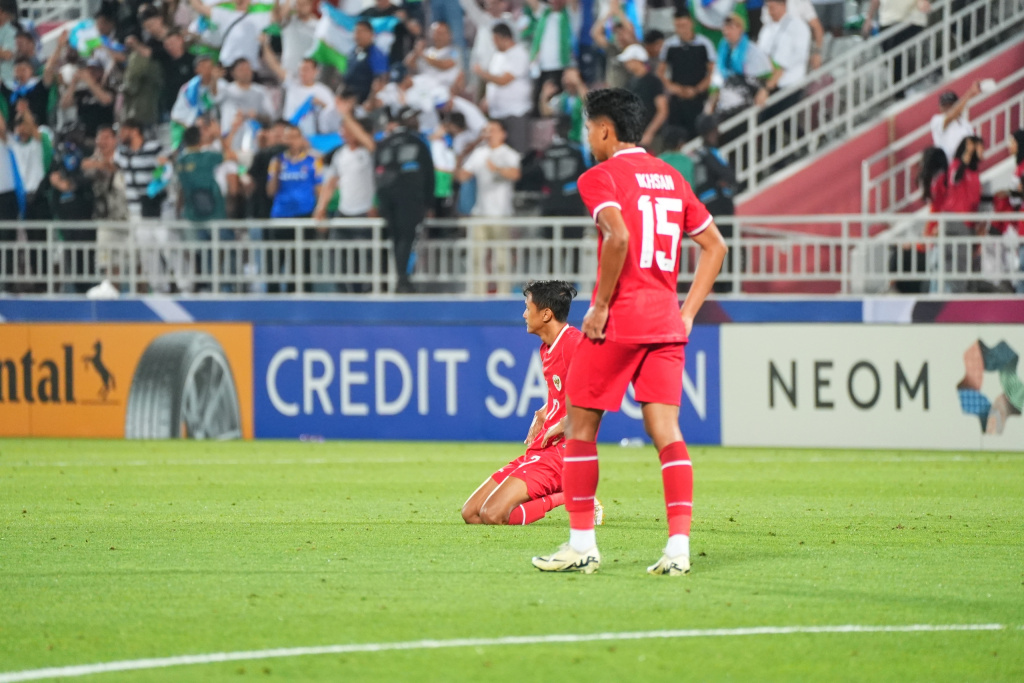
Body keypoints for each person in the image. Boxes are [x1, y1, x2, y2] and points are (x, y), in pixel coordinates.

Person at [531, 87, 727, 576]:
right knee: (666, 432)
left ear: (604, 129)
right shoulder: (672, 177)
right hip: (665, 321)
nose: (587, 139)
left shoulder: (600, 176)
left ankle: (582, 544)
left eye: (588, 129)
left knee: (581, 427)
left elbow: (618, 236)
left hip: (619, 319)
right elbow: (715, 246)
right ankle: (678, 550)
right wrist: (686, 313)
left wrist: (598, 307)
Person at [463, 280, 603, 526]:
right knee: (471, 513)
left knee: (493, 515)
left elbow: (600, 392)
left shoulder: (574, 342)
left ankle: (571, 496)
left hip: (565, 452)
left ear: (546, 313)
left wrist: (563, 423)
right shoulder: (548, 348)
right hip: (544, 449)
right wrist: (544, 411)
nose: (524, 314)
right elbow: (565, 393)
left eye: (528, 307)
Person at [455, 118, 521, 294]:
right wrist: (463, 155)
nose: (489, 134)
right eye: (487, 130)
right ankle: (477, 293)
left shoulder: (509, 154)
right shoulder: (479, 154)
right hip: (480, 213)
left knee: (501, 258)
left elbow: (515, 174)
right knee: (476, 257)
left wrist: (497, 169)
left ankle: (503, 293)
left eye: (493, 130)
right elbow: (462, 176)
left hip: (501, 213)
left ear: (503, 134)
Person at [374, 107, 434, 293]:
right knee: (406, 237)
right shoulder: (418, 142)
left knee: (395, 237)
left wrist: (378, 200)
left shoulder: (384, 143)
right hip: (409, 197)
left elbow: (376, 173)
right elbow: (428, 174)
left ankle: (399, 278)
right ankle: (402, 279)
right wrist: (429, 204)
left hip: (386, 196)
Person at [658, 11, 716, 142]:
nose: (681, 29)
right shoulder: (669, 45)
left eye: (684, 25)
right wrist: (674, 88)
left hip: (699, 97)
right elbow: (660, 73)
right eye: (678, 25)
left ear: (692, 23)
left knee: (697, 134)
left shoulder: (704, 44)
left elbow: (712, 71)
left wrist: (697, 89)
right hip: (678, 99)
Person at [474, 22, 532, 154]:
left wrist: (482, 73)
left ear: (504, 38)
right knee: (498, 153)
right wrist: (487, 98)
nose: (494, 43)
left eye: (495, 40)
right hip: (497, 113)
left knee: (517, 152)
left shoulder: (519, 54)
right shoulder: (497, 56)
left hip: (515, 113)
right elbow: (493, 81)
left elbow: (504, 80)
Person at [618, 44, 668, 150]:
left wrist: (649, 133)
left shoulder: (654, 81)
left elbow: (662, 111)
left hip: (653, 138)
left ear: (637, 60)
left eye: (628, 60)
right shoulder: (629, 83)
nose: (626, 64)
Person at [930, 83, 979, 163]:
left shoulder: (965, 123)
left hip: (965, 165)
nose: (948, 108)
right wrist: (969, 95)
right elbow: (950, 117)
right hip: (948, 167)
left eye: (951, 105)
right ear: (940, 107)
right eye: (945, 105)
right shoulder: (936, 120)